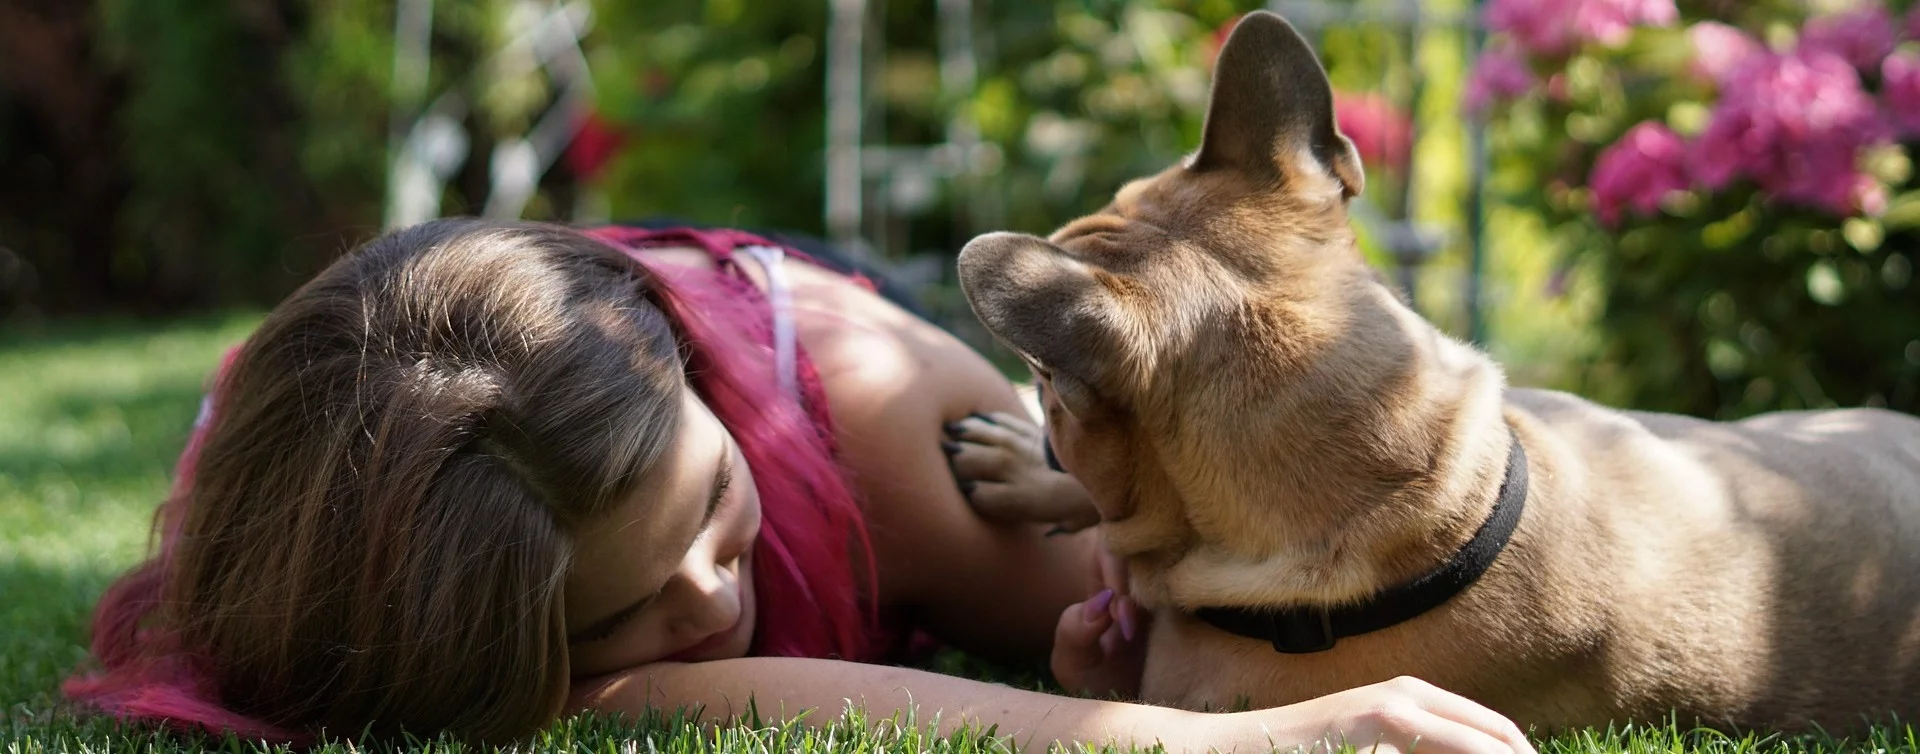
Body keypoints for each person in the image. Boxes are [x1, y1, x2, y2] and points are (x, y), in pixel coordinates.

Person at [65, 218, 1534, 753]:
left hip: (823, 314)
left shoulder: (895, 430)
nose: (710, 596)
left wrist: (1160, 680)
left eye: (705, 514)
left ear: (714, 406)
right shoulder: (355, 536)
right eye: (624, 607)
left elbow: (1204, 662)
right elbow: (622, 712)